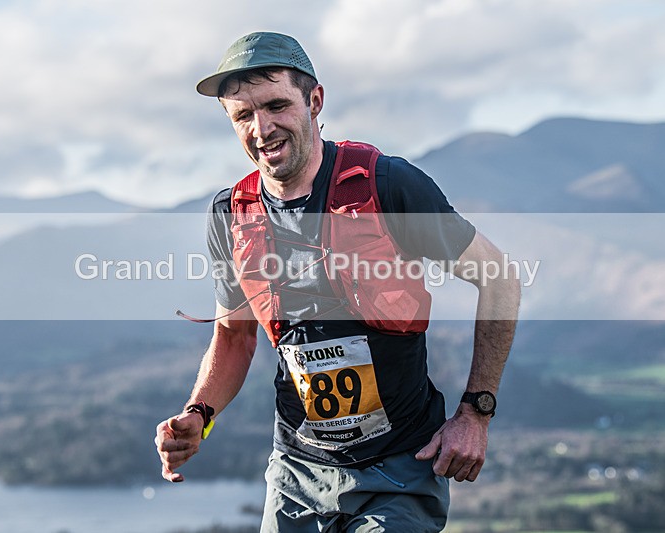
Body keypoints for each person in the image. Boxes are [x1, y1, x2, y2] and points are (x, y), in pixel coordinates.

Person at [156, 31, 521, 532]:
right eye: (243, 115)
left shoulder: (387, 185)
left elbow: (499, 279)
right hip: (296, 474)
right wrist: (199, 413)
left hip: (400, 468)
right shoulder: (231, 215)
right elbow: (234, 336)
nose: (261, 128)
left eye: (277, 105)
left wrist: (476, 412)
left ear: (315, 100)